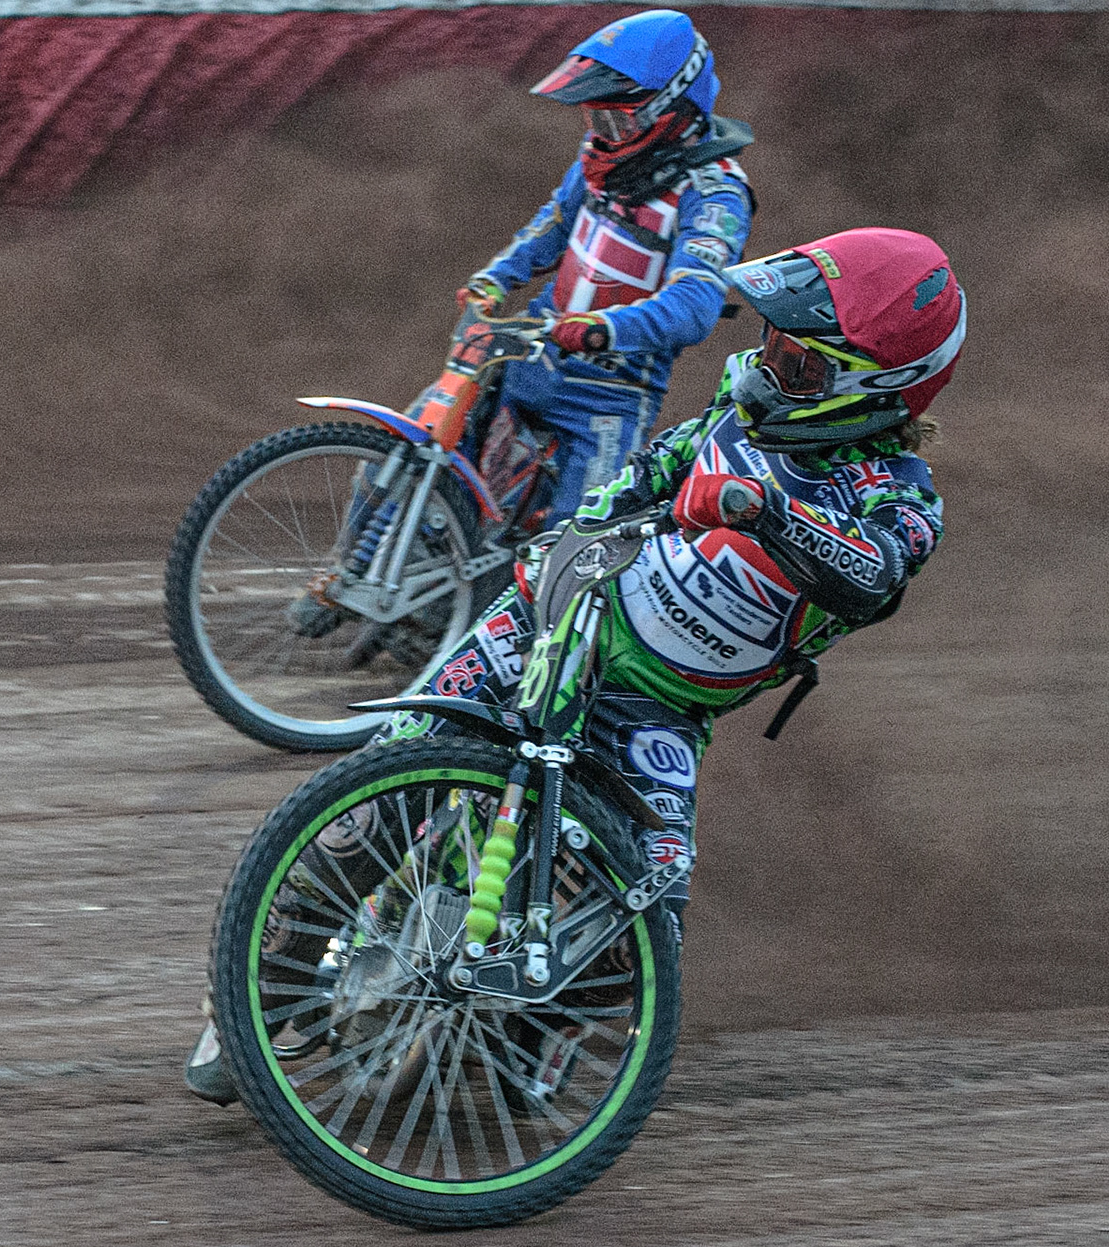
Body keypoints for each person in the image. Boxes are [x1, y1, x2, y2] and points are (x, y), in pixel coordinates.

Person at [187, 226, 964, 1105]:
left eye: (799, 362)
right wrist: (565, 544)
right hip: (557, 620)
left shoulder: (898, 500)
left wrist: (760, 513)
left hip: (659, 714)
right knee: (382, 790)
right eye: (772, 342)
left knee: (651, 919)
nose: (766, 366)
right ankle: (257, 986)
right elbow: (640, 477)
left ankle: (523, 1042)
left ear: (875, 389)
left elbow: (873, 575)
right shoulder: (736, 414)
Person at [461, 8, 756, 526]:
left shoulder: (716, 194)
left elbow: (696, 307)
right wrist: (496, 277)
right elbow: (553, 222)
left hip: (612, 393)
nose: (603, 133)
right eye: (594, 117)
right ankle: (351, 580)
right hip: (536, 346)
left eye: (615, 118)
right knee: (433, 442)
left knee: (579, 543)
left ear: (671, 110)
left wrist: (602, 330)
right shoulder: (599, 157)